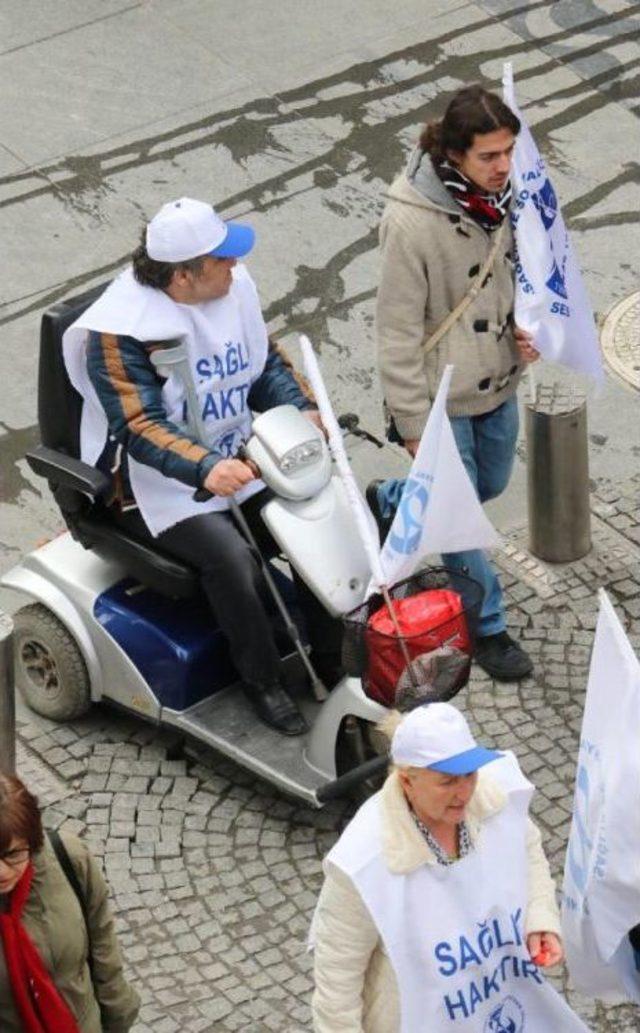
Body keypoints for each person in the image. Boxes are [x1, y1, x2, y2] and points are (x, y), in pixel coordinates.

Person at [63, 197, 343, 736]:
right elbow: (138, 426)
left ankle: (328, 652)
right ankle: (261, 679)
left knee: (314, 515)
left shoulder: (231, 290)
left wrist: (299, 406)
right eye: (222, 260)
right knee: (232, 560)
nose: (235, 267)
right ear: (183, 276)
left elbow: (259, 365)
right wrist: (205, 467)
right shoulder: (121, 332)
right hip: (155, 485)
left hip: (237, 452)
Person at [368, 84, 540, 682]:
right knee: (460, 514)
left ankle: (394, 502)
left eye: (509, 151)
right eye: (489, 156)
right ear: (455, 156)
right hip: (442, 398)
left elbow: (518, 274)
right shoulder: (410, 223)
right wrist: (415, 425)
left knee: (489, 483)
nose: (503, 166)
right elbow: (394, 332)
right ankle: (487, 626)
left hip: (497, 380)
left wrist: (526, 325)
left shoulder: (509, 198)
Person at [311, 703, 590, 1033]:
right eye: (446, 782)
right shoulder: (362, 864)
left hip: (496, 996)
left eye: (468, 775)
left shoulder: (493, 797)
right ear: (407, 781)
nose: (464, 793)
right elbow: (337, 983)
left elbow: (527, 852)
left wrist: (539, 918)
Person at [0, 772, 139, 1032]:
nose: (2, 872)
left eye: (13, 853)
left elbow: (102, 941)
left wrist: (118, 1015)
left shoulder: (69, 859)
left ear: (32, 840)